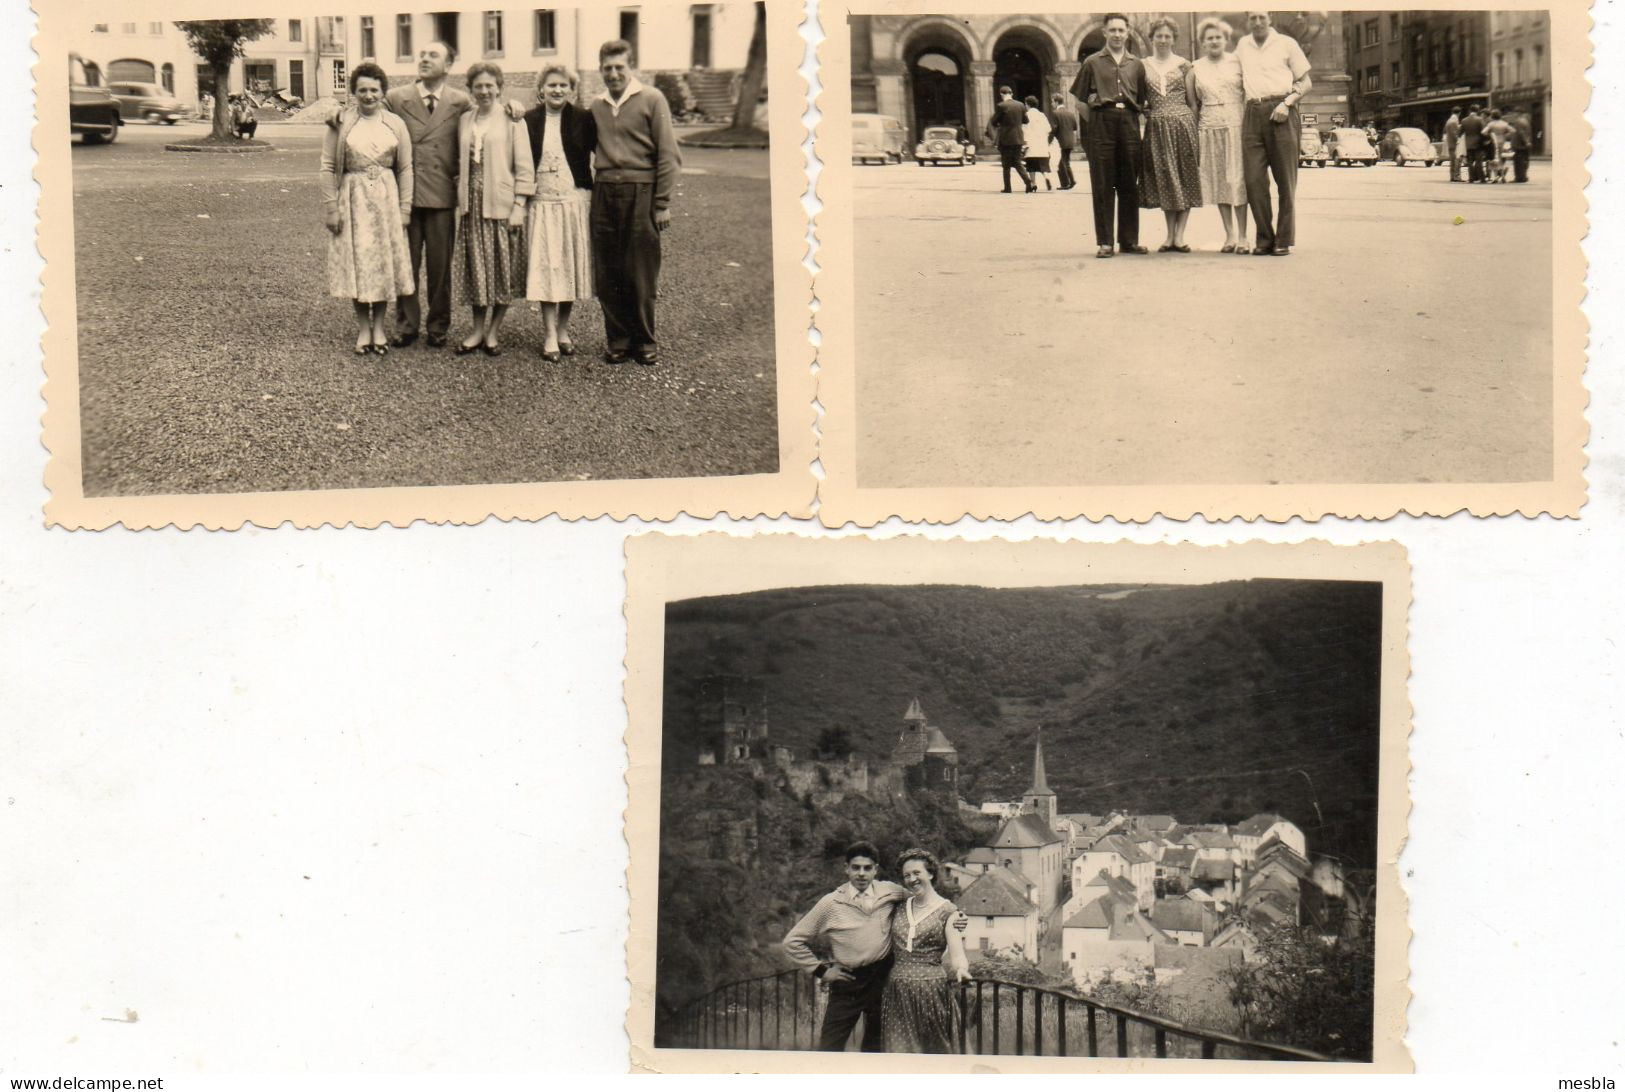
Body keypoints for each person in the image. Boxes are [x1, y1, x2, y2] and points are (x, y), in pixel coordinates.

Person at [590, 39, 682, 367]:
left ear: (632, 68)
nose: (614, 74)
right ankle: (618, 340)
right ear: (600, 70)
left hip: (641, 193)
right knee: (608, 271)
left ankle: (644, 340)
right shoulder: (597, 105)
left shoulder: (652, 99)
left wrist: (662, 202)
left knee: (641, 271)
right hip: (604, 194)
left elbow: (669, 154)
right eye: (608, 68)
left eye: (620, 67)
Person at [321, 63, 416, 356]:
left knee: (382, 263)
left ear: (382, 92)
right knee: (359, 263)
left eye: (374, 90)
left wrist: (404, 208)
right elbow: (326, 166)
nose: (368, 95)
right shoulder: (341, 122)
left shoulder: (395, 123)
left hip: (386, 200)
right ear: (354, 92)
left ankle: (379, 328)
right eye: (362, 90)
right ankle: (364, 328)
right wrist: (331, 208)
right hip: (354, 198)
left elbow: (406, 168)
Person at [782, 841, 907, 1052]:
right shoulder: (831, 903)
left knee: (876, 1046)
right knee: (830, 1045)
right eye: (856, 867)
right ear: (846, 868)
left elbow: (922, 902)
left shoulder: (890, 892)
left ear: (876, 869)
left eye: (867, 868)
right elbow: (792, 942)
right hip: (848, 981)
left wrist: (955, 917)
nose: (861, 874)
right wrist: (822, 971)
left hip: (882, 978)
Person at [453, 62, 534, 357]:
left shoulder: (514, 119)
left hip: (501, 205)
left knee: (502, 270)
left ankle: (494, 331)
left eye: (489, 85)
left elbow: (525, 168)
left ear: (499, 87)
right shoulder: (465, 120)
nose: (484, 91)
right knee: (477, 269)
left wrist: (519, 205)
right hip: (471, 207)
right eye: (478, 86)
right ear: (471, 90)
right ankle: (476, 330)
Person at [523, 64, 596, 362]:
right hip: (541, 203)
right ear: (541, 89)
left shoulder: (583, 118)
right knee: (546, 266)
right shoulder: (528, 120)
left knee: (568, 265)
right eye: (551, 85)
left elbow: (602, 153)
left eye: (563, 85)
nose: (557, 90)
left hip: (573, 200)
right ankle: (549, 333)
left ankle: (564, 329)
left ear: (571, 89)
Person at [1071, 13, 1148, 258]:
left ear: (1127, 33)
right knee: (1103, 183)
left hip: (1129, 122)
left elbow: (1143, 99)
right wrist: (1096, 123)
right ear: (1104, 32)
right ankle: (1105, 242)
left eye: (1121, 30)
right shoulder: (1092, 62)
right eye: (1112, 30)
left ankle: (1129, 241)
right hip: (1101, 122)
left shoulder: (1136, 63)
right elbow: (1080, 101)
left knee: (1129, 184)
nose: (1116, 34)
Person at [880, 848, 970, 1054]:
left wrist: (962, 970)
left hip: (931, 993)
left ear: (930, 873)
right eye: (907, 875)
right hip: (897, 993)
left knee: (933, 1055)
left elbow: (957, 954)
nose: (912, 879)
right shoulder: (899, 906)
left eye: (916, 873)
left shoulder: (949, 912)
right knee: (899, 1055)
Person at [1236, 11, 1311, 256]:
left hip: (1281, 111)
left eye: (1262, 17)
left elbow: (1306, 82)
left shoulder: (1287, 44)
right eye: (1253, 18)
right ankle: (1264, 238)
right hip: (1252, 112)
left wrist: (1287, 103)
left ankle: (1283, 239)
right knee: (1254, 181)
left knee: (1286, 183)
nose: (1257, 22)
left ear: (1270, 18)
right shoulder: (1242, 45)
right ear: (1247, 21)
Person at [1139, 18, 1203, 252]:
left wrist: (1194, 130)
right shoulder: (1143, 65)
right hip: (1157, 128)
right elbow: (1139, 97)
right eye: (1159, 35)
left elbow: (1193, 102)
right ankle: (1168, 236)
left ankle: (1180, 236)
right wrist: (1149, 112)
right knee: (1166, 178)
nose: (1163, 40)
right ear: (1152, 38)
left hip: (1183, 126)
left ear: (1174, 39)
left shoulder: (1185, 65)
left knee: (1185, 178)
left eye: (1168, 36)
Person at [1192, 17, 1249, 253]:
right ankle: (1230, 236)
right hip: (1209, 128)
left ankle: (1244, 237)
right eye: (1209, 38)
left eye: (1218, 37)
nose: (1214, 41)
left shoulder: (1238, 63)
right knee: (1220, 185)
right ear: (1202, 43)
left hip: (1236, 126)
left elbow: (1248, 93)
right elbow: (1194, 103)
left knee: (1237, 182)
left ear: (1226, 40)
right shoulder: (1195, 67)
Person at [985, 86, 1034, 194]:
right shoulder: (1020, 105)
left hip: (1006, 138)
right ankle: (1028, 182)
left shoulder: (1001, 105)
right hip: (1018, 137)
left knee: (1006, 164)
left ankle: (1008, 187)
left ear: (1002, 94)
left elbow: (993, 122)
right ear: (1011, 93)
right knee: (1017, 162)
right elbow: (1026, 121)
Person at [1046, 93, 1079, 190]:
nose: (1052, 104)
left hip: (1062, 141)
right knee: (1065, 161)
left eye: (1052, 101)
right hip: (1070, 140)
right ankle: (1071, 181)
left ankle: (1066, 183)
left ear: (1056, 102)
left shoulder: (1055, 113)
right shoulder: (1070, 113)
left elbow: (1054, 128)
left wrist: (1049, 140)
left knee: (1063, 162)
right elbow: (1074, 127)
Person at [1021, 95, 1054, 191]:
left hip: (1031, 144)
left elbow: (1024, 129)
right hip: (1042, 145)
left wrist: (1025, 143)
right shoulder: (1042, 115)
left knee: (1031, 166)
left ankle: (1033, 184)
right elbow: (1048, 129)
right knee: (1043, 165)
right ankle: (1046, 177)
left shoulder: (1026, 115)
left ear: (1027, 105)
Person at [1460, 104, 1487, 183]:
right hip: (1478, 143)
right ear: (1477, 111)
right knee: (1479, 161)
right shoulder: (1480, 119)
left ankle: (1471, 178)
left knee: (1470, 162)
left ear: (1470, 111)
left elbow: (1461, 132)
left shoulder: (1464, 120)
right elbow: (1483, 132)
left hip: (1468, 144)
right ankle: (1481, 178)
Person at [1508, 110, 1533, 183]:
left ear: (1518, 113)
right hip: (1524, 145)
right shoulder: (1525, 121)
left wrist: (1526, 142)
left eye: (1514, 113)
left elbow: (1521, 133)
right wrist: (1527, 142)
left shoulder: (1519, 121)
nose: (1514, 115)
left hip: (1519, 145)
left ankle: (1519, 177)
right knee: (1524, 161)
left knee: (1518, 162)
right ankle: (1524, 176)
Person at [1444, 108, 1462, 182]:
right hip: (1454, 144)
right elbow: (1455, 133)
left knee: (1453, 160)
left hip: (1450, 143)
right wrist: (1459, 140)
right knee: (1456, 160)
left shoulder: (1449, 120)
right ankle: (1456, 176)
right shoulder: (1454, 121)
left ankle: (1452, 176)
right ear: (1459, 113)